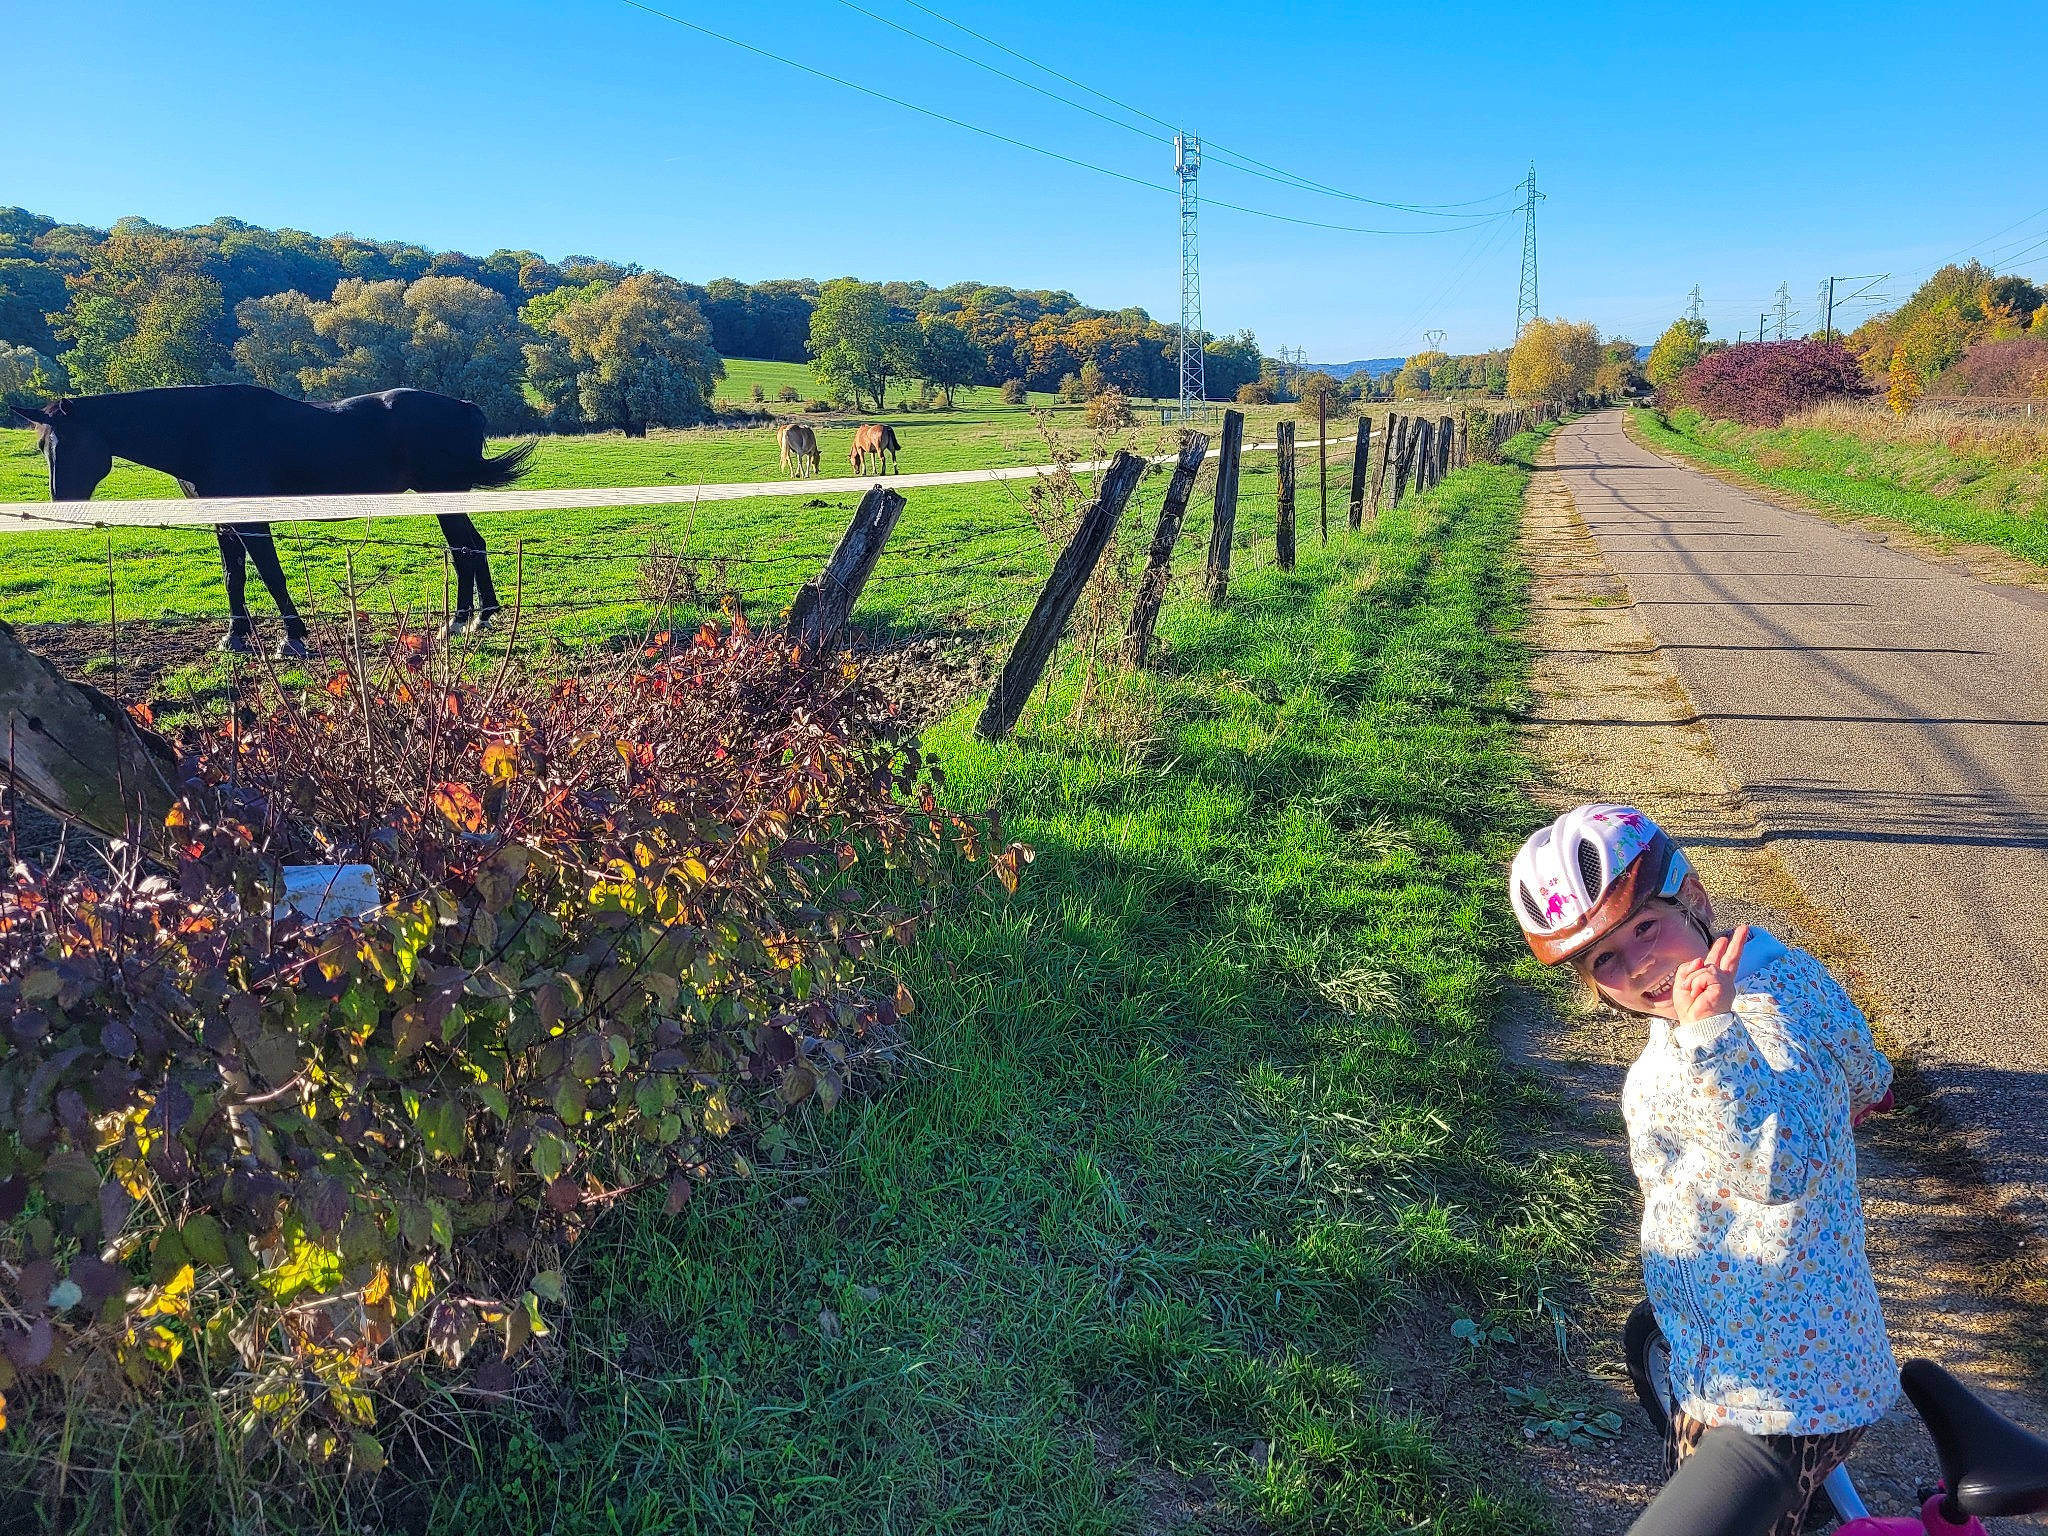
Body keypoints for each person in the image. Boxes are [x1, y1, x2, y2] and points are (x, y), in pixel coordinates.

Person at [1510, 805, 1895, 1536]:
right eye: (1605, 960)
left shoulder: (1741, 1021)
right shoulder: (1780, 965)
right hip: (1772, 1335)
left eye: (1645, 928)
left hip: (1771, 1400)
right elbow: (1855, 1056)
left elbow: (1776, 1170)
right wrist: (1866, 1091)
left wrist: (1710, 1035)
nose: (1638, 966)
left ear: (1696, 899)